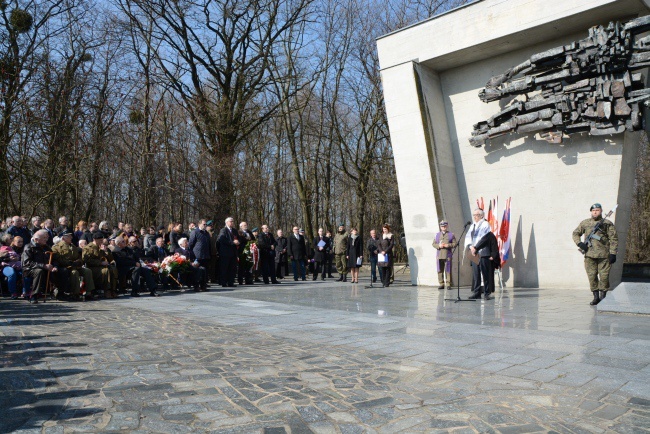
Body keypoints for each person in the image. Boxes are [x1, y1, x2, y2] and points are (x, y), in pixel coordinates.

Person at [572, 203, 618, 306]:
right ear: (591, 212)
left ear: (601, 211)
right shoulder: (585, 223)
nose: (595, 212)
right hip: (589, 255)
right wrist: (579, 243)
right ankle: (596, 297)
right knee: (592, 276)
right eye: (593, 211)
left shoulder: (607, 223)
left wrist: (613, 253)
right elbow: (575, 233)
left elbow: (614, 239)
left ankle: (603, 297)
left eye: (597, 210)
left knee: (604, 277)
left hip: (604, 256)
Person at [22, 229, 68, 303]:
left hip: (47, 268)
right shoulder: (28, 247)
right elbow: (27, 262)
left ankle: (60, 293)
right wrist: (44, 266)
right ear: (37, 239)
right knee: (39, 271)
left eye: (47, 237)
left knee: (63, 271)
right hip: (30, 269)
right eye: (44, 238)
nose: (46, 239)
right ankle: (34, 295)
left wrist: (55, 266)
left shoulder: (46, 247)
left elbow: (54, 259)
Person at [52, 230, 95, 301]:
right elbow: (58, 259)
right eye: (69, 236)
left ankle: (88, 293)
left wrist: (79, 261)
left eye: (71, 236)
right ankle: (75, 293)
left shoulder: (73, 246)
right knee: (74, 273)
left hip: (76, 266)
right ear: (63, 238)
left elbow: (79, 257)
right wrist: (70, 263)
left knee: (88, 271)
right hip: (66, 267)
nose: (71, 237)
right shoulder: (56, 247)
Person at [465, 208, 493, 300]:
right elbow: (468, 237)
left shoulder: (486, 224)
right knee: (476, 274)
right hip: (474, 252)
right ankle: (477, 292)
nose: (474, 217)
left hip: (483, 252)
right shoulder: (472, 225)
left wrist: (476, 247)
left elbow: (484, 238)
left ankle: (487, 293)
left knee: (485, 273)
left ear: (481, 215)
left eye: (476, 215)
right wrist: (471, 247)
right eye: (474, 215)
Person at [82, 232, 118, 299]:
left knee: (113, 269)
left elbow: (111, 259)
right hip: (93, 267)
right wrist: (100, 263)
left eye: (102, 240)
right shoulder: (88, 248)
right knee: (105, 270)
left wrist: (105, 251)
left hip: (102, 266)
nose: (101, 242)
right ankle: (107, 290)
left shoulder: (102, 247)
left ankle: (113, 290)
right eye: (100, 240)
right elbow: (87, 260)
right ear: (95, 240)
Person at [470, 231, 498, 300]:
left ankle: (487, 293)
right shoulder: (474, 233)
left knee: (486, 276)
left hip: (485, 256)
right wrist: (471, 249)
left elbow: (494, 245)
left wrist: (493, 255)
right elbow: (469, 243)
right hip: (475, 256)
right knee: (476, 276)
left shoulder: (489, 235)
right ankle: (477, 293)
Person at [0, 233, 29, 299]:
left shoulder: (11, 247)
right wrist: (9, 259)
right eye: (10, 239)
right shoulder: (3, 248)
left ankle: (25, 291)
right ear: (6, 240)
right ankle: (13, 293)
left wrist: (17, 258)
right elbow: (1, 258)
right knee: (12, 273)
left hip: (16, 265)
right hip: (6, 266)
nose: (11, 240)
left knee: (26, 272)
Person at [432, 221, 458, 290]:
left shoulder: (451, 234)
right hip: (439, 255)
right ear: (440, 227)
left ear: (447, 226)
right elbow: (433, 244)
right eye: (442, 226)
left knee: (448, 269)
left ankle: (448, 283)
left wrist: (448, 245)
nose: (444, 227)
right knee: (439, 269)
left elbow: (455, 244)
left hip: (447, 254)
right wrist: (439, 246)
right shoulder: (437, 235)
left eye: (445, 226)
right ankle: (441, 283)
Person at [189, 219, 211, 289]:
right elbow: (191, 244)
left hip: (205, 255)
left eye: (206, 225)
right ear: (199, 224)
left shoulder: (206, 233)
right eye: (203, 224)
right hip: (197, 255)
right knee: (197, 271)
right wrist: (192, 255)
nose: (205, 226)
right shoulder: (195, 232)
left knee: (205, 271)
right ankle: (196, 285)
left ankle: (203, 285)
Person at [217, 217, 240, 287]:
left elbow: (238, 238)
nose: (232, 223)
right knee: (224, 268)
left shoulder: (235, 231)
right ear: (226, 222)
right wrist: (233, 242)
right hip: (225, 253)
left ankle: (231, 282)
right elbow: (222, 240)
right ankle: (223, 282)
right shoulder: (223, 230)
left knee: (232, 268)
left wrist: (238, 242)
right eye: (231, 221)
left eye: (233, 221)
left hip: (233, 252)